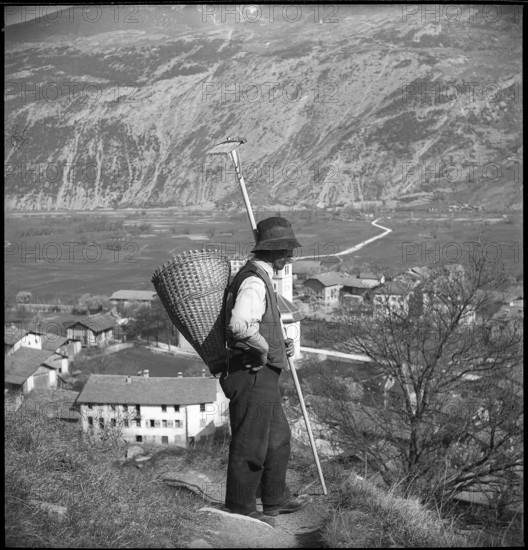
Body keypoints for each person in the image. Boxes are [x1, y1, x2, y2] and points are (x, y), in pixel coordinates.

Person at [221, 216, 310, 520]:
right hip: (250, 374)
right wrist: (262, 347)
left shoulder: (262, 277)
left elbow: (256, 326)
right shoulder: (254, 281)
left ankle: (274, 498)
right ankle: (240, 507)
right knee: (252, 443)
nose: (291, 256)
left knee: (278, 439)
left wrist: (275, 344)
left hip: (263, 375)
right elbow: (239, 325)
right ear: (272, 251)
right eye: (286, 250)